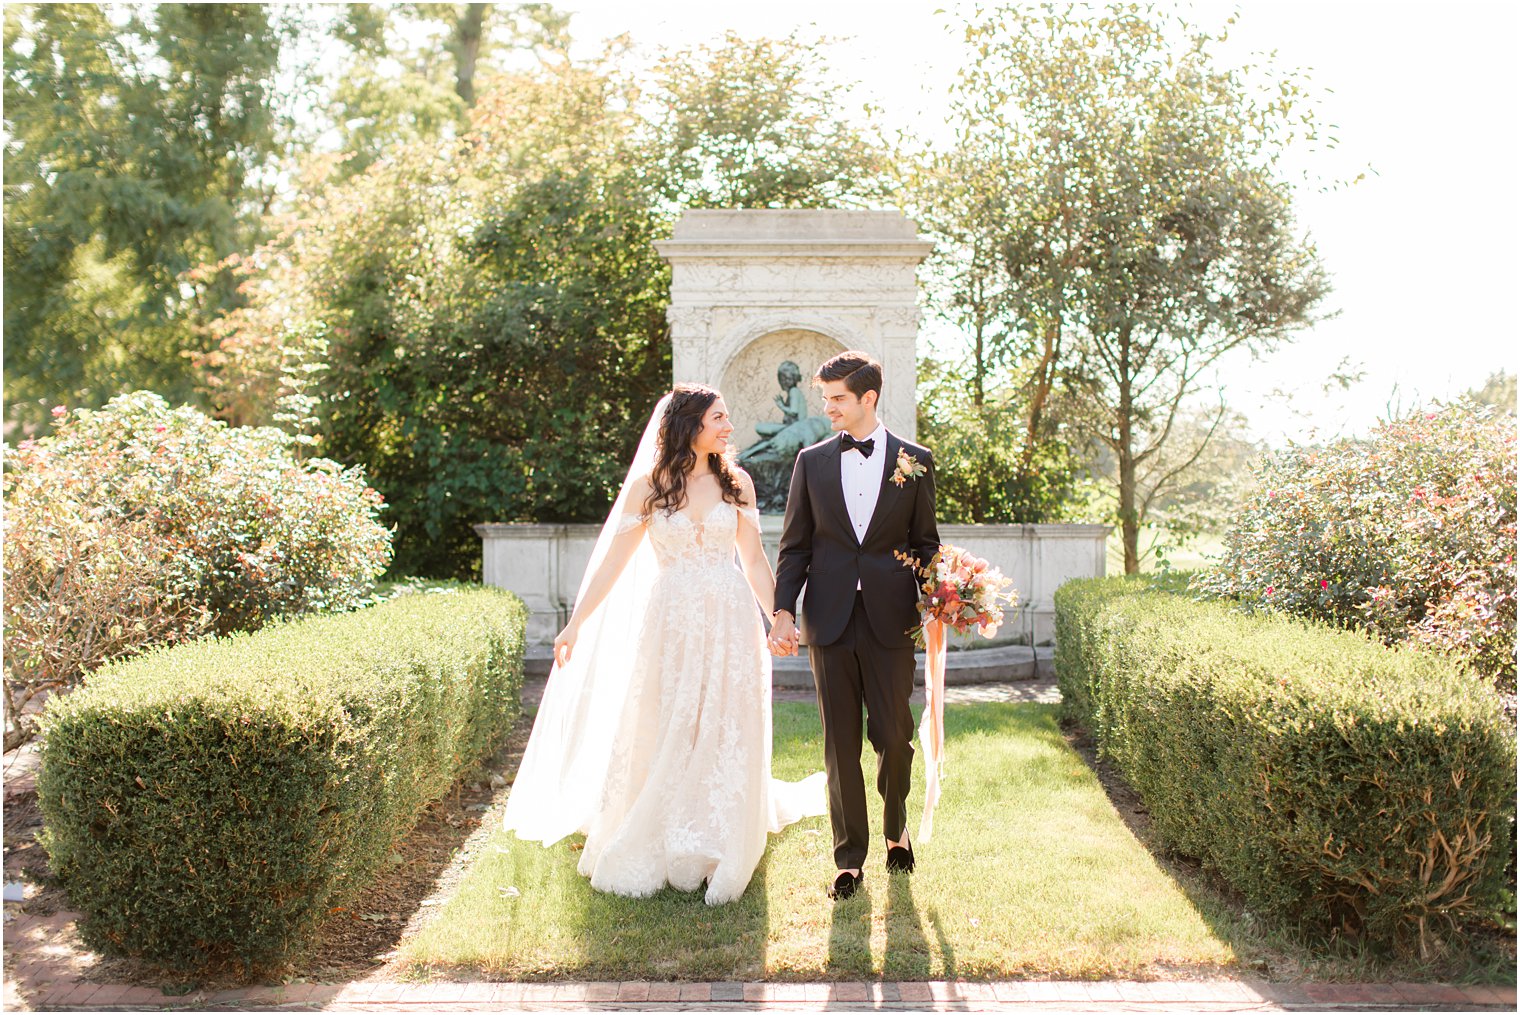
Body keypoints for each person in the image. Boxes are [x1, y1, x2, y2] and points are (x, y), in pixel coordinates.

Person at [501, 384, 825, 906]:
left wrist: (779, 619)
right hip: (671, 619)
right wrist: (575, 623)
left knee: (723, 720)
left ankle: (719, 829)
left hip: (728, 617)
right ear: (689, 425)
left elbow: (755, 561)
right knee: (670, 717)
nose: (728, 426)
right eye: (718, 418)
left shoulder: (736, 482)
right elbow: (614, 562)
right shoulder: (649, 487)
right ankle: (664, 824)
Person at [768, 351, 941, 901]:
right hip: (830, 618)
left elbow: (925, 543)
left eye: (838, 398)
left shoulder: (916, 460)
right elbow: (794, 545)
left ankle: (896, 829)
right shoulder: (811, 462)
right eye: (826, 398)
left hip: (892, 618)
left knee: (895, 736)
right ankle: (849, 858)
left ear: (868, 398)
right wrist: (782, 610)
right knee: (839, 744)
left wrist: (945, 593)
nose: (829, 408)